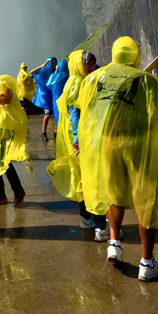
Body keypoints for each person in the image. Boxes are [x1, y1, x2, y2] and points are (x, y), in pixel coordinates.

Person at [78, 37, 158, 281]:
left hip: (106, 146)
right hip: (137, 148)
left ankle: (114, 243)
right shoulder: (145, 80)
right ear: (135, 55)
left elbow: (85, 111)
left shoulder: (95, 78)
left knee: (114, 193)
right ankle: (147, 263)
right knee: (146, 200)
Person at [47, 50, 106, 234]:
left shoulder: (74, 81)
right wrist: (78, 140)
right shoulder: (78, 83)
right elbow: (75, 115)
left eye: (93, 64)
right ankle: (98, 224)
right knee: (91, 180)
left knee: (83, 180)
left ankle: (86, 220)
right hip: (82, 139)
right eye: (88, 64)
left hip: (78, 138)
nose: (92, 67)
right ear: (79, 65)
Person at [0, 64, 27, 207]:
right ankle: (5, 193)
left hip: (5, 127)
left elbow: (5, 100)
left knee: (2, 160)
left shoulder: (0, 83)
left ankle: (8, 192)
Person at [30, 57, 58, 141]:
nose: (53, 64)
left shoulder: (56, 71)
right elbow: (32, 72)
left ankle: (56, 131)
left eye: (54, 62)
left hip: (54, 95)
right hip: (46, 96)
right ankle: (44, 132)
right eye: (51, 62)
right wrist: (42, 66)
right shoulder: (43, 71)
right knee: (47, 114)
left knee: (57, 113)